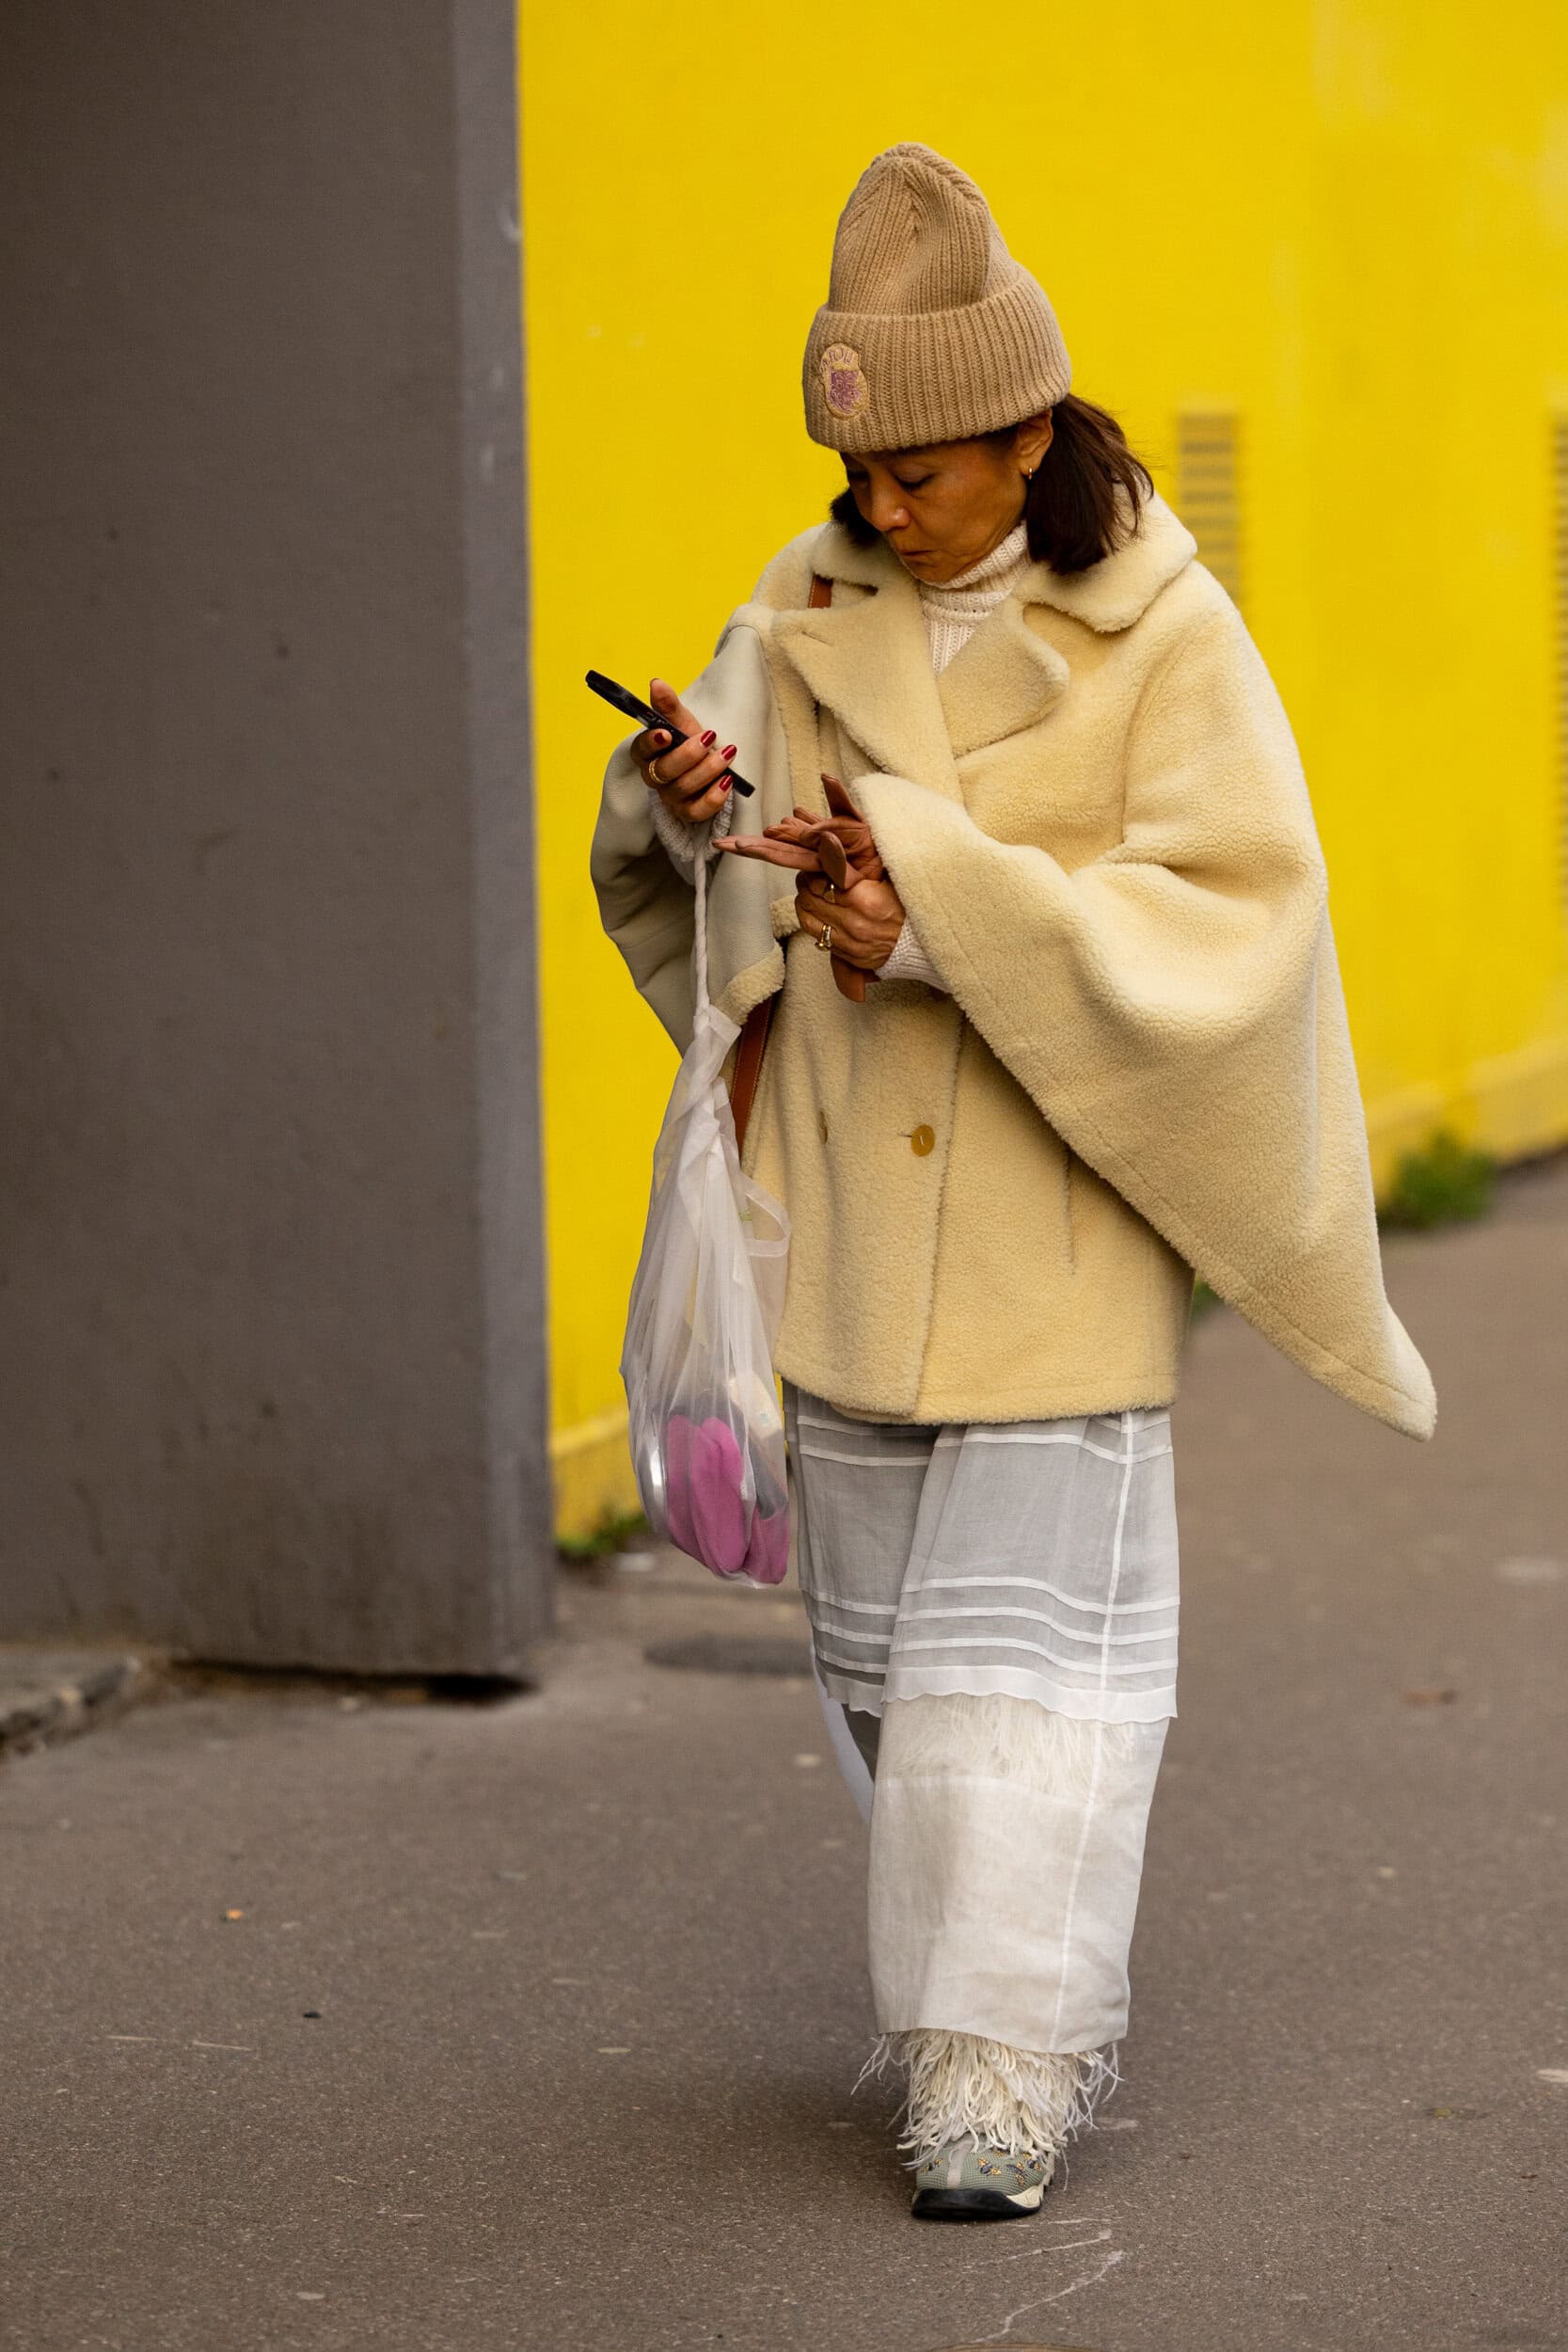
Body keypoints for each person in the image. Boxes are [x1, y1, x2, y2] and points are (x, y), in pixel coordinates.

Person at [592, 143, 1434, 2221]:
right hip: (855, 1231)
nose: (882, 510)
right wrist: (697, 804)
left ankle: (999, 2079)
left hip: (1054, 1235)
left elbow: (1238, 921)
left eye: (921, 474)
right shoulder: (798, 604)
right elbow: (715, 895)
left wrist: (941, 912)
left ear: (1029, 434)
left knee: (1024, 1691)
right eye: (856, 473)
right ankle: (972, 2018)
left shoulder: (1166, 628)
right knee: (890, 1678)